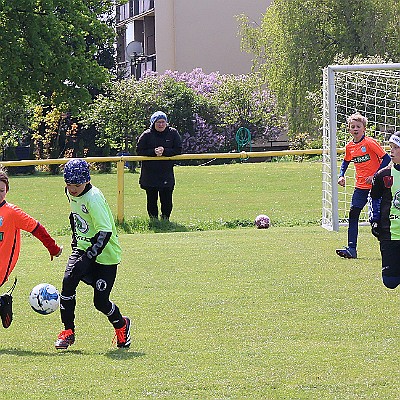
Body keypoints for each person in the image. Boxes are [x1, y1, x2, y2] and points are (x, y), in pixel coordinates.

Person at [55, 159, 130, 350]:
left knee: (100, 302)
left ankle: (122, 325)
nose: (72, 189)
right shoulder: (70, 192)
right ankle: (68, 332)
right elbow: (75, 216)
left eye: (77, 185)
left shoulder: (93, 198)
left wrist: (89, 256)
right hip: (82, 249)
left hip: (105, 256)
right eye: (69, 185)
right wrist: (76, 243)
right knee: (68, 282)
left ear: (87, 180)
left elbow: (105, 232)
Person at [0, 166, 62, 327]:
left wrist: (53, 248)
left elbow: (37, 229)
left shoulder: (12, 212)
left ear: (6, 191)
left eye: (1, 190)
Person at [336, 112, 390, 259]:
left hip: (376, 186)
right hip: (360, 187)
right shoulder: (350, 147)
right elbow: (346, 161)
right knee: (353, 214)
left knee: (377, 221)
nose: (355, 129)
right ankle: (351, 249)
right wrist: (341, 175)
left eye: (358, 126)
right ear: (349, 129)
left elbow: (386, 158)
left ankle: (389, 247)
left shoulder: (370, 143)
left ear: (364, 128)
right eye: (352, 126)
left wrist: (375, 176)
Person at [136, 111, 182, 220]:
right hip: (150, 174)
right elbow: (139, 150)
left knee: (167, 199)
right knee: (151, 199)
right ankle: (154, 221)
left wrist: (165, 151)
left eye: (163, 122)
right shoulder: (146, 135)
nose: (161, 124)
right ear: (153, 123)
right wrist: (153, 152)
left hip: (166, 173)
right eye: (158, 122)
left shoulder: (173, 133)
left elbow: (178, 149)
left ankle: (165, 220)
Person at [369, 131, 400, 289]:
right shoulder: (383, 175)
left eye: (396, 147)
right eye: (391, 147)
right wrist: (374, 220)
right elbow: (374, 198)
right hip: (389, 232)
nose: (391, 151)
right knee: (390, 281)